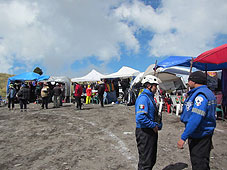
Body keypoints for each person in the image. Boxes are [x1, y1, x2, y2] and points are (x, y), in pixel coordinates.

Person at [177, 71, 217, 170]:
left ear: (194, 81)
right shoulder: (207, 93)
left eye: (189, 80)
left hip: (199, 135)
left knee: (199, 164)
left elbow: (195, 119)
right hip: (204, 134)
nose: (188, 82)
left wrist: (183, 137)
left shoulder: (200, 96)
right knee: (202, 162)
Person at [135, 75, 162, 170]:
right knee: (145, 162)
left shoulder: (150, 97)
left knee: (151, 160)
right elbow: (140, 117)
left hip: (150, 131)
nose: (156, 88)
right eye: (155, 86)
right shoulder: (144, 98)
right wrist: (153, 125)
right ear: (149, 86)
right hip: (145, 132)